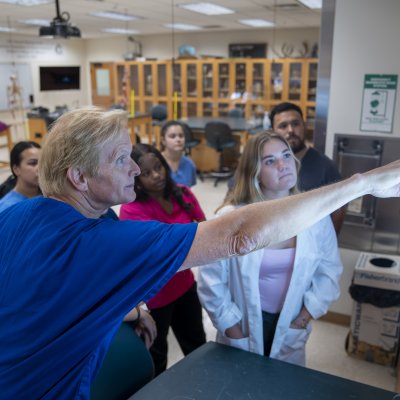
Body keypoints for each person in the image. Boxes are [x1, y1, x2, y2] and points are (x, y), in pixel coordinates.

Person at [0, 106, 399, 399]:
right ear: (79, 177)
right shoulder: (104, 241)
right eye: (122, 159)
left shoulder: (19, 216)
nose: (136, 170)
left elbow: (54, 289)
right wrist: (362, 183)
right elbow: (238, 236)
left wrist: (132, 310)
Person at [197, 132, 343, 366]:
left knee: (282, 387)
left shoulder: (316, 217)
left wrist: (303, 319)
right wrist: (232, 329)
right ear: (254, 171)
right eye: (270, 161)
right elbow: (211, 281)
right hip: (241, 322)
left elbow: (330, 271)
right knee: (239, 384)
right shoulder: (230, 218)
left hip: (291, 321)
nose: (283, 165)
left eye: (286, 155)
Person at [120, 143, 206, 375]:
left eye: (158, 167)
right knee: (156, 357)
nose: (156, 175)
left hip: (185, 286)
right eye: (146, 173)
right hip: (154, 297)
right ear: (136, 179)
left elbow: (204, 232)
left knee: (197, 346)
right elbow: (150, 254)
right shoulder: (131, 210)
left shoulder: (183, 193)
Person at [269, 102, 346, 234]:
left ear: (304, 126)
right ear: (273, 132)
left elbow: (339, 210)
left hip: (311, 246)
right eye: (283, 126)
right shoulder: (262, 164)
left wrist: (327, 245)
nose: (291, 130)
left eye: (295, 124)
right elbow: (235, 197)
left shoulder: (325, 167)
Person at [0, 140, 41, 213]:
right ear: (16, 169)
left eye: (42, 162)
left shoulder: (51, 197)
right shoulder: (6, 208)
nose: (40, 168)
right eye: (33, 163)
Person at [160, 120, 197, 187]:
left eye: (181, 136)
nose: (178, 139)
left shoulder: (190, 164)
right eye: (172, 136)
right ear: (163, 141)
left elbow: (188, 191)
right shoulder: (157, 163)